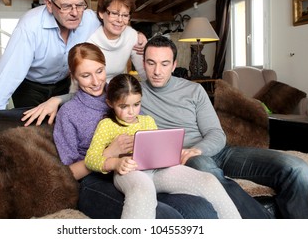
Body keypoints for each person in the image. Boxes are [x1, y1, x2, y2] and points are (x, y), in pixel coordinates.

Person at [138, 35, 308, 219]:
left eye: (164, 63)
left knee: (296, 167)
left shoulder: (194, 90)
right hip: (185, 158)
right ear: (143, 63)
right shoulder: (134, 94)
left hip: (218, 151)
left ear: (174, 64)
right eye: (151, 63)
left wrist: (199, 149)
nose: (157, 71)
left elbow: (216, 133)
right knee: (209, 174)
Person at [52, 42, 218, 219]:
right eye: (85, 75)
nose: (95, 81)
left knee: (200, 208)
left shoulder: (125, 91)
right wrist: (110, 153)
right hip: (96, 181)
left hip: (138, 172)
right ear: (74, 77)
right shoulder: (68, 113)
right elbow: (69, 174)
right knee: (165, 216)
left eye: (99, 71)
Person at [0, 0, 146, 112]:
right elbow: (9, 74)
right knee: (32, 134)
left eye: (80, 5)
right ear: (49, 4)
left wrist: (137, 35)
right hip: (32, 86)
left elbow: (114, 22)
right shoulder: (30, 27)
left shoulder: (89, 18)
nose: (75, 13)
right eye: (66, 6)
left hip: (64, 84)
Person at [84, 73, 241, 219]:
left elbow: (157, 150)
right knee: (143, 191)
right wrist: (116, 163)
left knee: (208, 180)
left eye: (136, 104)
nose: (131, 112)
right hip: (130, 173)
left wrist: (171, 155)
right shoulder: (107, 125)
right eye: (124, 106)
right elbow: (90, 159)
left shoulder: (148, 121)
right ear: (110, 103)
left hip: (158, 170)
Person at [22, 0, 146, 125]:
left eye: (125, 15)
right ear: (101, 13)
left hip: (118, 99)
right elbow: (78, 86)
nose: (119, 20)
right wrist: (58, 99)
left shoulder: (133, 36)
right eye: (114, 13)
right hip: (86, 98)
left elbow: (146, 75)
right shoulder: (88, 39)